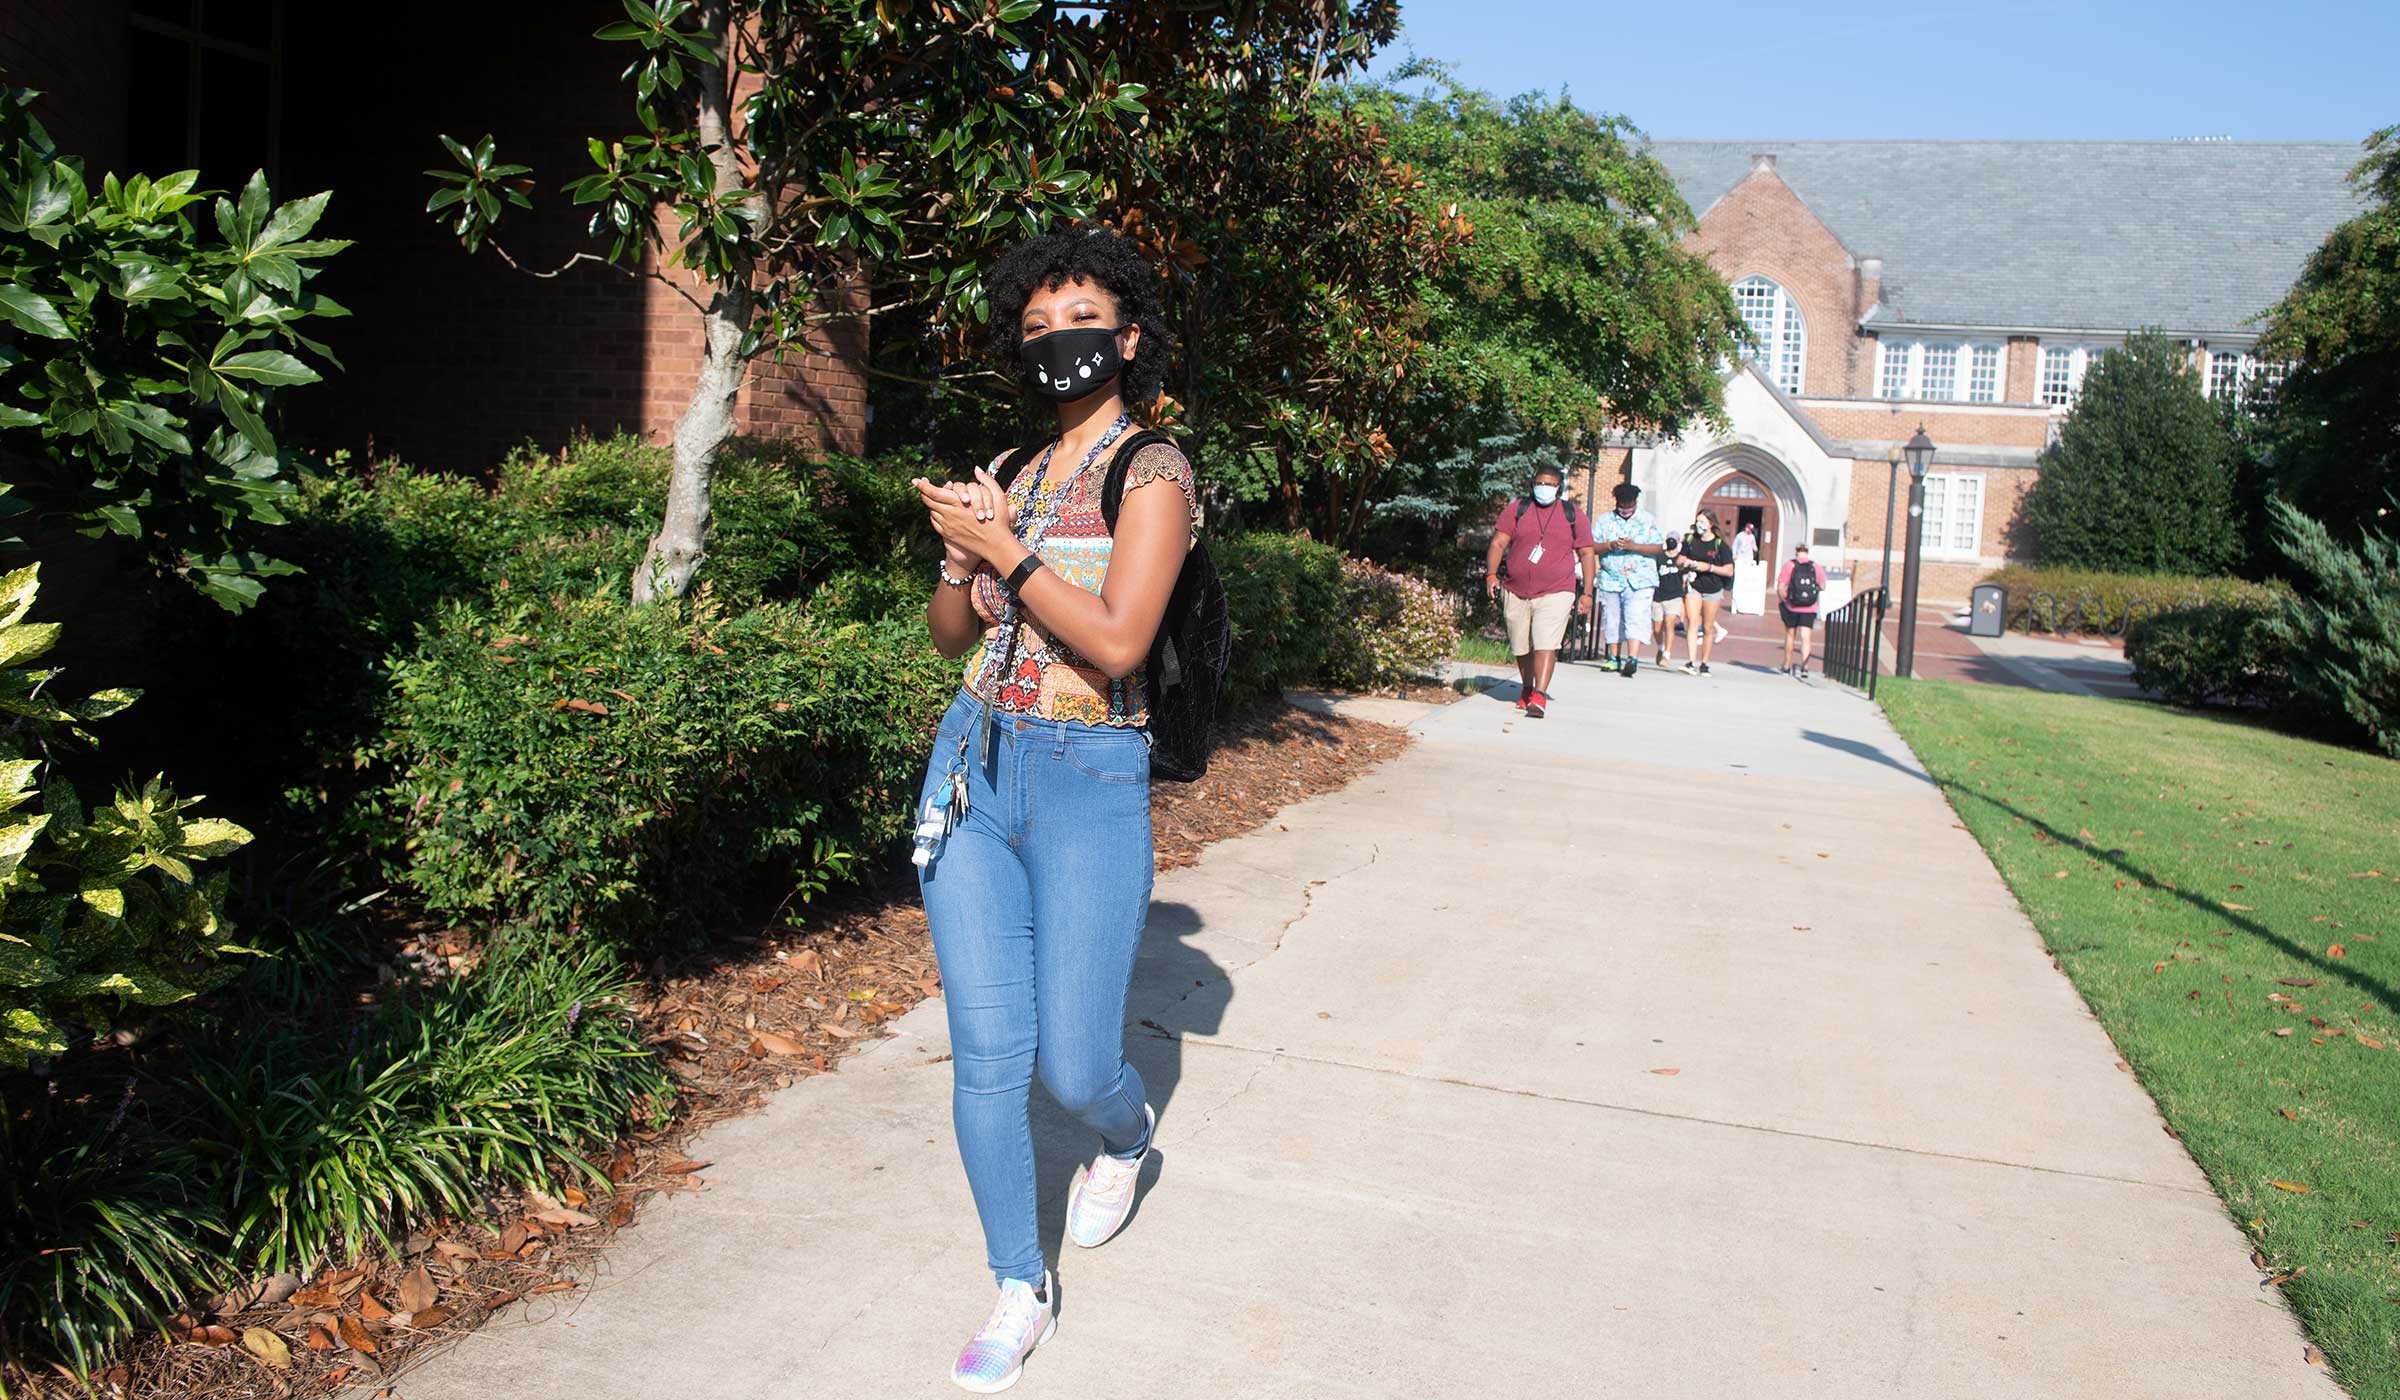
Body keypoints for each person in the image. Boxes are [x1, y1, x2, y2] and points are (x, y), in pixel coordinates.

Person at [909, 225, 1197, 1393]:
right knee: (987, 1057)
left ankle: (1127, 1139)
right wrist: (954, 562)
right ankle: (1017, 1284)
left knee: (1076, 1068)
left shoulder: (1156, 473)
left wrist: (1008, 555)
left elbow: (1123, 637)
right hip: (972, 767)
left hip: (1087, 781)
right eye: (1033, 328)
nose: (1056, 343)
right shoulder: (1017, 471)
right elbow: (948, 637)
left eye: (1078, 320)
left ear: (1126, 336)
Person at [1485, 464, 1597, 719]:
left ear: (1559, 488)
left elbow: (1587, 553)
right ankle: (1526, 688)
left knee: (1546, 642)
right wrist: (1491, 574)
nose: (1543, 488)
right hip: (1515, 588)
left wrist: (1587, 592)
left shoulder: (1572, 514)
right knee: (1521, 646)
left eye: (1550, 484)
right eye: (1540, 483)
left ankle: (1539, 695)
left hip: (1557, 590)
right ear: (1532, 483)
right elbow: (1498, 542)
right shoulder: (1518, 509)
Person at [1591, 481, 1665, 676]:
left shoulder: (1647, 520)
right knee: (1612, 617)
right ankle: (1613, 657)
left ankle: (1632, 658)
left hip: (1640, 579)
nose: (1625, 509)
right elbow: (1591, 547)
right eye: (1621, 505)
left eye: (1629, 504)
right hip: (1611, 578)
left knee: (1636, 616)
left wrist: (1635, 546)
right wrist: (1610, 546)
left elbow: (1658, 547)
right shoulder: (1605, 520)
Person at [1679, 509, 1735, 675]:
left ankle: (1704, 662)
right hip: (1694, 585)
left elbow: (1729, 570)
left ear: (1711, 524)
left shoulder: (1720, 545)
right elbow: (1680, 559)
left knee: (1708, 626)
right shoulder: (1690, 540)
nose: (1699, 525)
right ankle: (1690, 661)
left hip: (1713, 588)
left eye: (1703, 522)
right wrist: (1688, 562)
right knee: (1692, 621)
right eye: (1697, 521)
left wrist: (1709, 567)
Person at [1779, 542, 1826, 680]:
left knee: (1790, 635)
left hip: (1792, 606)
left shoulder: (1790, 565)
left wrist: (1785, 599)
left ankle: (1786, 666)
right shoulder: (1815, 566)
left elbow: (1781, 586)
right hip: (1809, 607)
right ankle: (1804, 667)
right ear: (1807, 552)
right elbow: (1823, 586)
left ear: (1796, 551)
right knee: (1806, 637)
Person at [1651, 533, 1688, 668]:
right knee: (1657, 628)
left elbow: (1685, 576)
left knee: (1669, 623)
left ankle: (1667, 653)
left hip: (1674, 595)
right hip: (1659, 595)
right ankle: (1661, 648)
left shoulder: (1680, 559)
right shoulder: (1660, 557)